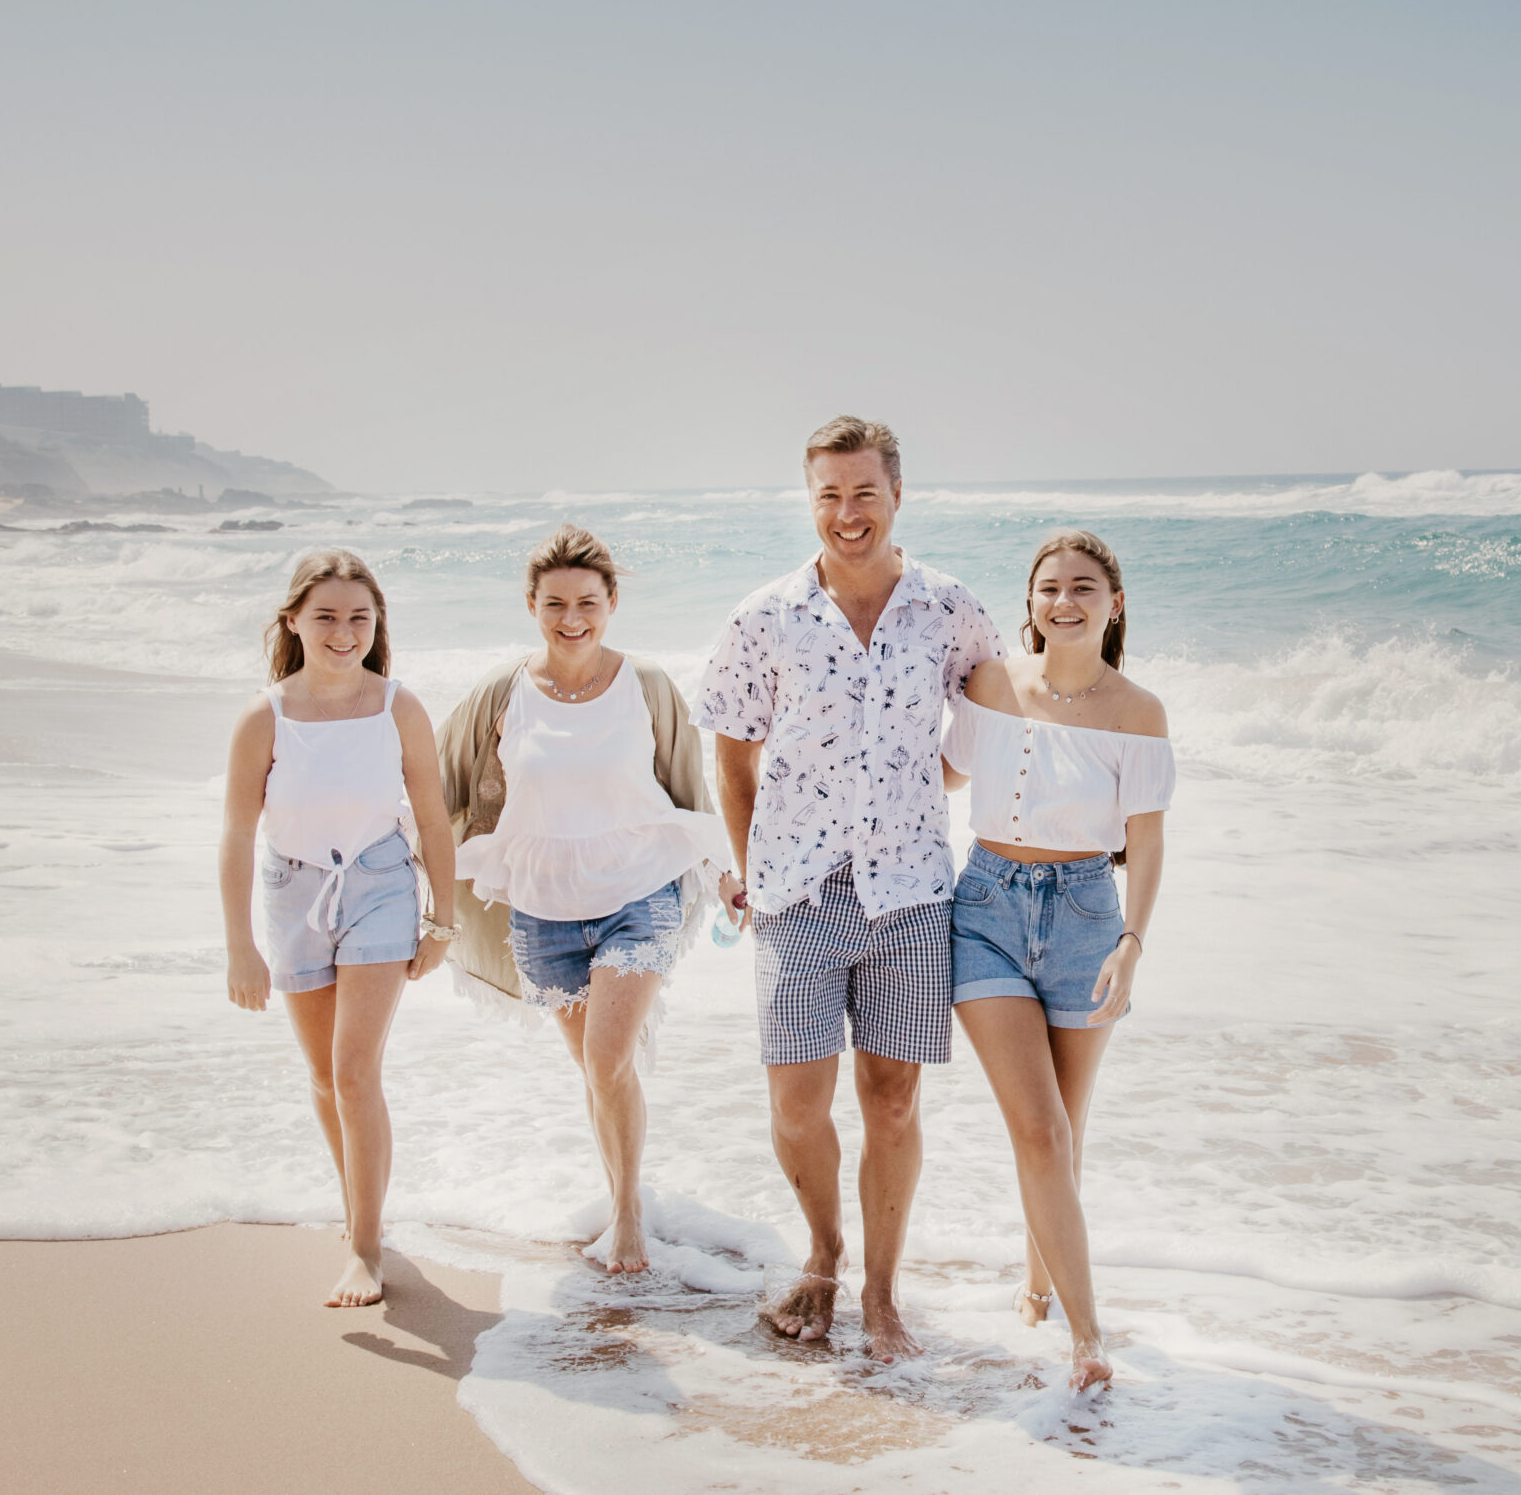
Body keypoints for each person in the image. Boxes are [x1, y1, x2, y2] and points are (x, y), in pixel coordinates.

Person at [697, 415, 1001, 1360]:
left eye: (864, 491)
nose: (847, 513)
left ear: (897, 495)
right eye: (828, 494)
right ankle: (823, 1251)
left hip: (911, 889)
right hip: (798, 891)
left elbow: (986, 731)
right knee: (795, 1104)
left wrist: (928, 785)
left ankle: (877, 1288)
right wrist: (751, 871)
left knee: (893, 1100)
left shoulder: (951, 608)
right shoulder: (765, 617)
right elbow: (732, 759)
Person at [435, 526, 727, 1274]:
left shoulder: (647, 685)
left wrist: (729, 873)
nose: (573, 618)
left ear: (613, 602)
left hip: (640, 890)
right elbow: (436, 789)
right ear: (531, 604)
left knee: (606, 1059)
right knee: (598, 1070)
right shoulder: (501, 695)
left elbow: (693, 791)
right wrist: (414, 894)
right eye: (556, 603)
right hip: (543, 909)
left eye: (588, 602)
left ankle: (629, 1219)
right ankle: (621, 1197)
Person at [943, 529, 1173, 1392]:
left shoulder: (1139, 711)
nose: (1064, 601)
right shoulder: (991, 683)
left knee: (1064, 1135)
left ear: (1114, 604)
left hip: (1086, 918)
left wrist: (1132, 943)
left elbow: (1147, 841)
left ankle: (1037, 1275)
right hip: (986, 913)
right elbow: (937, 774)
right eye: (1048, 588)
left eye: (1084, 586)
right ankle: (1087, 1336)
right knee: (1038, 1127)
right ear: (1030, 603)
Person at [220, 549, 457, 1308]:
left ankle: (364, 1244)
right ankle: (360, 1207)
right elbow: (234, 834)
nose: (344, 631)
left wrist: (442, 920)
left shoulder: (399, 707)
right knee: (325, 1076)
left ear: (376, 623)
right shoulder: (266, 715)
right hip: (293, 892)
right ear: (292, 620)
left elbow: (430, 817)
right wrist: (240, 946)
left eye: (360, 616)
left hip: (381, 885)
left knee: (355, 1070)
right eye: (325, 615)